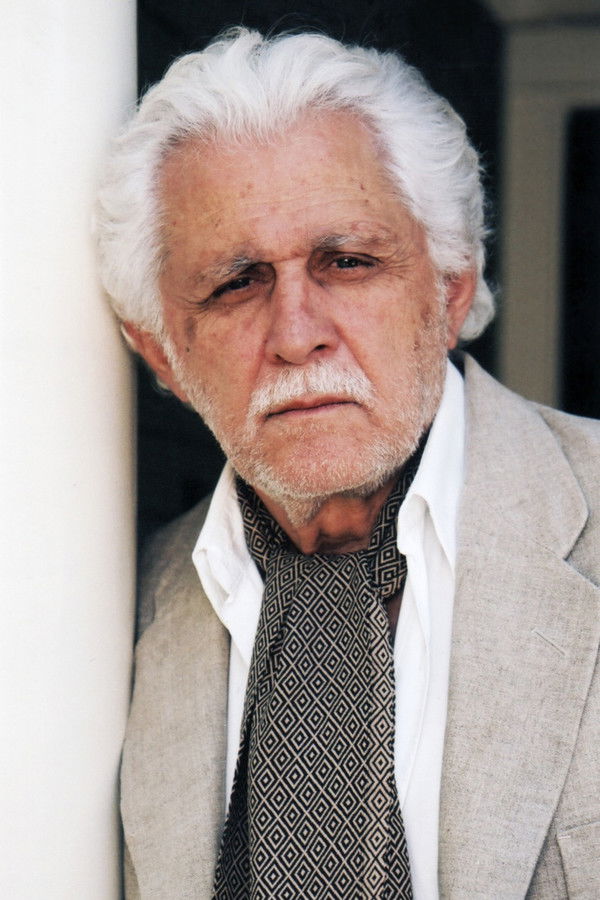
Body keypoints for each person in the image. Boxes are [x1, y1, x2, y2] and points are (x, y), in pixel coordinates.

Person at [96, 28, 600, 899]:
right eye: (236, 282)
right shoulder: (110, 620)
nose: (297, 334)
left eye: (349, 262)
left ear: (449, 288)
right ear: (161, 353)